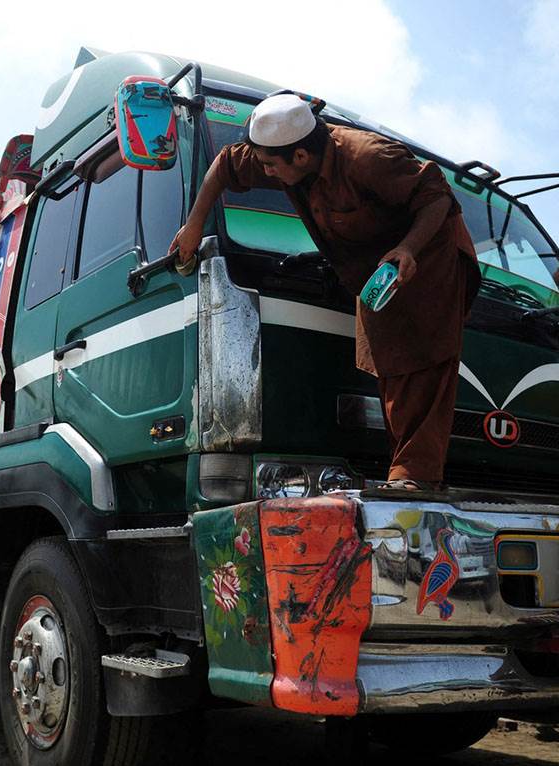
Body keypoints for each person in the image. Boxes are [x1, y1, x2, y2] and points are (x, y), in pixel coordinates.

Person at [170, 93, 480, 490]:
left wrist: (408, 249)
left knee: (421, 360)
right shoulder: (284, 153)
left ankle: (416, 478)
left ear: (300, 156)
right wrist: (194, 225)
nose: (265, 171)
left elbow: (437, 198)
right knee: (389, 359)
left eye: (270, 166)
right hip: (374, 270)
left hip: (428, 257)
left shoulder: (368, 157)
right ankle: (401, 470)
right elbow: (225, 166)